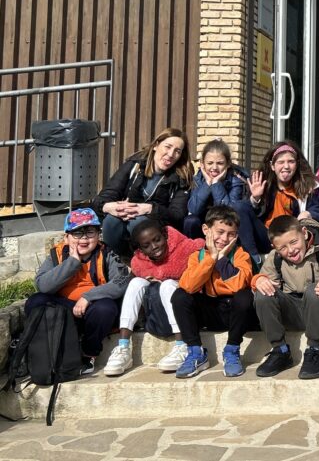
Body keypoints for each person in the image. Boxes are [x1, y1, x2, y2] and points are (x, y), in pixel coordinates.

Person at [29, 208, 130, 375]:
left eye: (90, 232)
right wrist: (73, 262)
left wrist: (88, 297)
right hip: (64, 311)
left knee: (106, 308)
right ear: (66, 237)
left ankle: (89, 354)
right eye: (77, 233)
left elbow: (121, 282)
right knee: (36, 301)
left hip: (93, 310)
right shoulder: (57, 254)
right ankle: (48, 347)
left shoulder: (107, 253)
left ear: (98, 235)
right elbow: (43, 285)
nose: (84, 238)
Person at [103, 220, 204, 376]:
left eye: (157, 240)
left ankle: (182, 344)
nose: (154, 246)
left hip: (189, 317)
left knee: (168, 284)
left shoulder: (185, 249)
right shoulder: (138, 263)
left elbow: (201, 250)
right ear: (140, 250)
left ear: (165, 235)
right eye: (146, 245)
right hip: (157, 319)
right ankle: (123, 347)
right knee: (136, 282)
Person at [252, 216, 319, 379]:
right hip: (292, 311)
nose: (291, 250)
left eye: (294, 242)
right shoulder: (275, 257)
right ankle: (280, 350)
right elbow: (263, 280)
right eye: (283, 247)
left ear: (304, 233)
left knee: (314, 289)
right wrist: (258, 280)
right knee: (263, 292)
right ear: (275, 247)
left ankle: (313, 350)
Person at [172, 205, 257, 378]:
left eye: (231, 234)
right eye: (220, 232)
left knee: (244, 296)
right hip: (209, 312)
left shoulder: (241, 255)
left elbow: (238, 285)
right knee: (180, 296)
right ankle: (196, 352)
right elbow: (188, 286)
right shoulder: (197, 256)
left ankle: (232, 350)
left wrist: (221, 259)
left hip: (234, 315)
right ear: (206, 230)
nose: (224, 238)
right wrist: (211, 258)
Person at [92, 128, 194, 255]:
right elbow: (103, 197)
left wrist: (150, 209)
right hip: (124, 218)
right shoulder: (134, 165)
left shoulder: (181, 178)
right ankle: (114, 258)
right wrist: (109, 207)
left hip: (156, 226)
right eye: (167, 147)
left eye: (177, 151)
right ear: (156, 145)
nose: (171, 154)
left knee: (140, 224)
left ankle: (144, 261)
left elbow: (177, 215)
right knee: (111, 220)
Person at [233, 141, 319, 259]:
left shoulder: (306, 187)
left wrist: (308, 213)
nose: (286, 166)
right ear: (272, 166)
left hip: (291, 238)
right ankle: (253, 259)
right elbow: (248, 215)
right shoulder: (263, 184)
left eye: (291, 161)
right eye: (281, 162)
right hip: (267, 236)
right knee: (239, 206)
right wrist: (255, 198)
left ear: (297, 164)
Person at [184, 139, 249, 238]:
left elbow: (229, 214)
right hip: (204, 223)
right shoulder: (197, 179)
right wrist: (207, 184)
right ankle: (195, 247)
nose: (214, 167)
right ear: (202, 164)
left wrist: (216, 184)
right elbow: (194, 209)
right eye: (210, 163)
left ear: (228, 164)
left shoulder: (235, 181)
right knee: (190, 221)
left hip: (225, 226)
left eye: (220, 163)